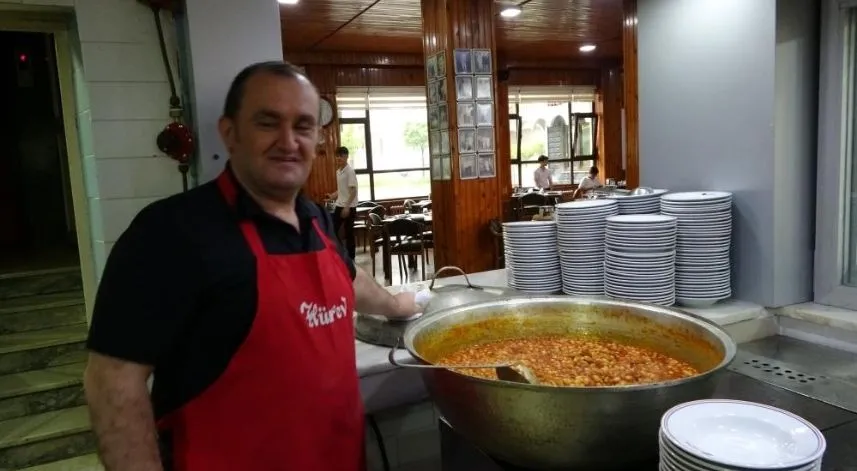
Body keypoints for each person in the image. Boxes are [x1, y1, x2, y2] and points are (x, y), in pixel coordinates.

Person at [83, 61, 422, 471]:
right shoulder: (171, 231)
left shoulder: (316, 218)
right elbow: (113, 381)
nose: (288, 141)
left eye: (303, 126)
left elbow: (348, 279)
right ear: (230, 133)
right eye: (267, 123)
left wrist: (397, 305)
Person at [328, 146, 358, 259]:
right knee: (332, 230)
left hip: (349, 206)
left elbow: (353, 191)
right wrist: (332, 196)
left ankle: (351, 258)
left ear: (346, 157)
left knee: (349, 233)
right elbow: (341, 190)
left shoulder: (350, 171)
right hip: (339, 205)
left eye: (341, 156)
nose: (339, 158)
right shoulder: (338, 172)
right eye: (337, 156)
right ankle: (340, 253)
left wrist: (347, 207)